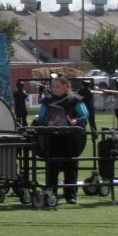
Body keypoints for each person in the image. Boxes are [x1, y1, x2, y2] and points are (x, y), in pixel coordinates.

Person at [35, 76, 88, 204]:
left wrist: (76, 121)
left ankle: (70, 195)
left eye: (57, 86)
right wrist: (46, 123)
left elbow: (85, 114)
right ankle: (51, 193)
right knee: (52, 166)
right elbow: (41, 117)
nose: (54, 89)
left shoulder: (74, 99)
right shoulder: (47, 100)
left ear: (65, 86)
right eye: (52, 86)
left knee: (71, 165)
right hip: (53, 137)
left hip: (70, 137)